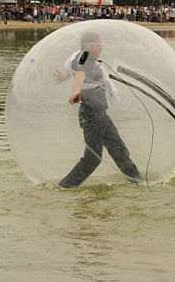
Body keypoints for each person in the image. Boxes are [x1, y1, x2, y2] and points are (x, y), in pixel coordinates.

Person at [54, 32, 142, 187]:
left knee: (119, 150)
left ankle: (137, 182)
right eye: (98, 44)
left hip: (100, 115)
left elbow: (76, 70)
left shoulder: (82, 57)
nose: (101, 48)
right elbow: (80, 75)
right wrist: (75, 92)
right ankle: (65, 187)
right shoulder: (85, 60)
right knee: (93, 158)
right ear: (87, 45)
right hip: (91, 115)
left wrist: (66, 76)